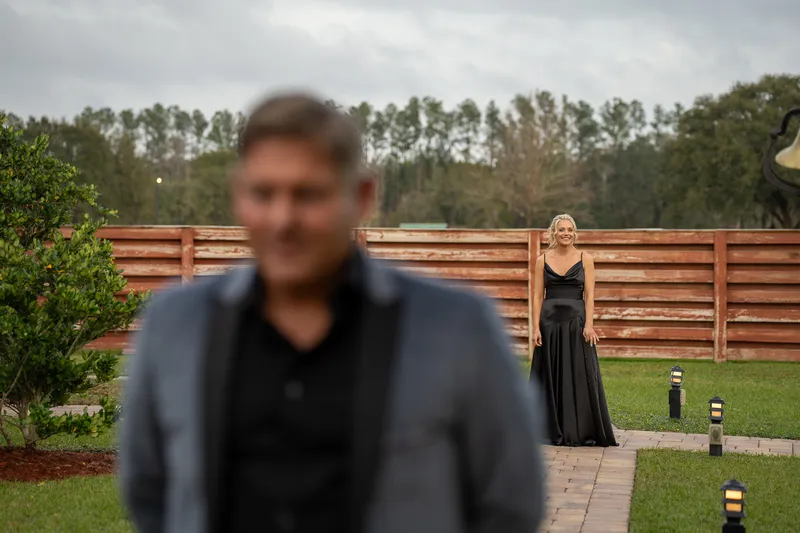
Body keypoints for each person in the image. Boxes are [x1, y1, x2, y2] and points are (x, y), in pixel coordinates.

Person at [119, 91, 546, 533]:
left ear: (362, 195)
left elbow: (511, 503)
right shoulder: (175, 325)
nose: (282, 219)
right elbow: (149, 493)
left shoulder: (457, 328)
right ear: (238, 193)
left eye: (308, 195)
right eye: (263, 194)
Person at [529, 214, 617, 447]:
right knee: (550, 375)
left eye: (569, 229)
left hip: (577, 324)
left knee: (579, 374)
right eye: (561, 230)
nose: (566, 233)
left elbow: (590, 295)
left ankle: (580, 428)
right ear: (554, 233)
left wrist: (589, 325)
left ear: (574, 233)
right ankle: (547, 429)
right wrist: (535, 328)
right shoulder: (542, 260)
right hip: (549, 324)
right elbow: (537, 296)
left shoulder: (585, 259)